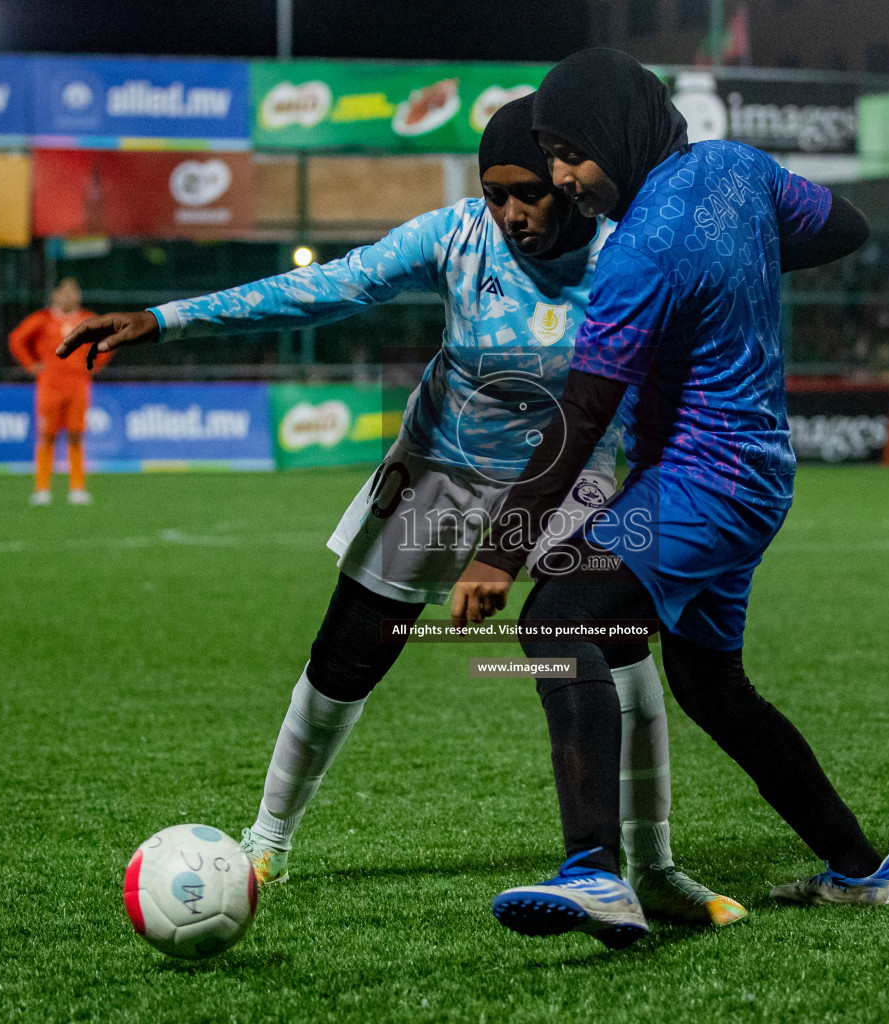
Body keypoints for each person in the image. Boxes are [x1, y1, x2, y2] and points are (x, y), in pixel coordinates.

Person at [57, 96, 746, 929]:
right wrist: (166, 320)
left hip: (572, 482)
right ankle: (268, 841)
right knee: (346, 659)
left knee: (620, 666)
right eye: (495, 194)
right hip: (439, 479)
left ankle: (653, 869)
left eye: (529, 192)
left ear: (570, 182)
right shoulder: (457, 236)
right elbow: (326, 287)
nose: (511, 213)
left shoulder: (626, 253)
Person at [450, 49, 889, 950]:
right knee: (712, 685)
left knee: (557, 621)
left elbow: (581, 418)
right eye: (551, 154)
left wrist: (499, 552)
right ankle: (865, 873)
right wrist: (740, 261)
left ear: (620, 133)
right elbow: (846, 225)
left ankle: (593, 873)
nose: (561, 176)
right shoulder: (739, 171)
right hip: (759, 473)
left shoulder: (641, 253)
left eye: (572, 151)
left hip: (703, 479)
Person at [8, 277, 107, 505]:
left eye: (75, 292)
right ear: (55, 295)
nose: (70, 296)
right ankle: (42, 489)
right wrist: (31, 365)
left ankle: (77, 489)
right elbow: (17, 339)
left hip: (78, 386)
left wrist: (95, 364)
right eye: (65, 291)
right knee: (47, 436)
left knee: (76, 436)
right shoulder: (43, 319)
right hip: (50, 386)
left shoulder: (87, 320)